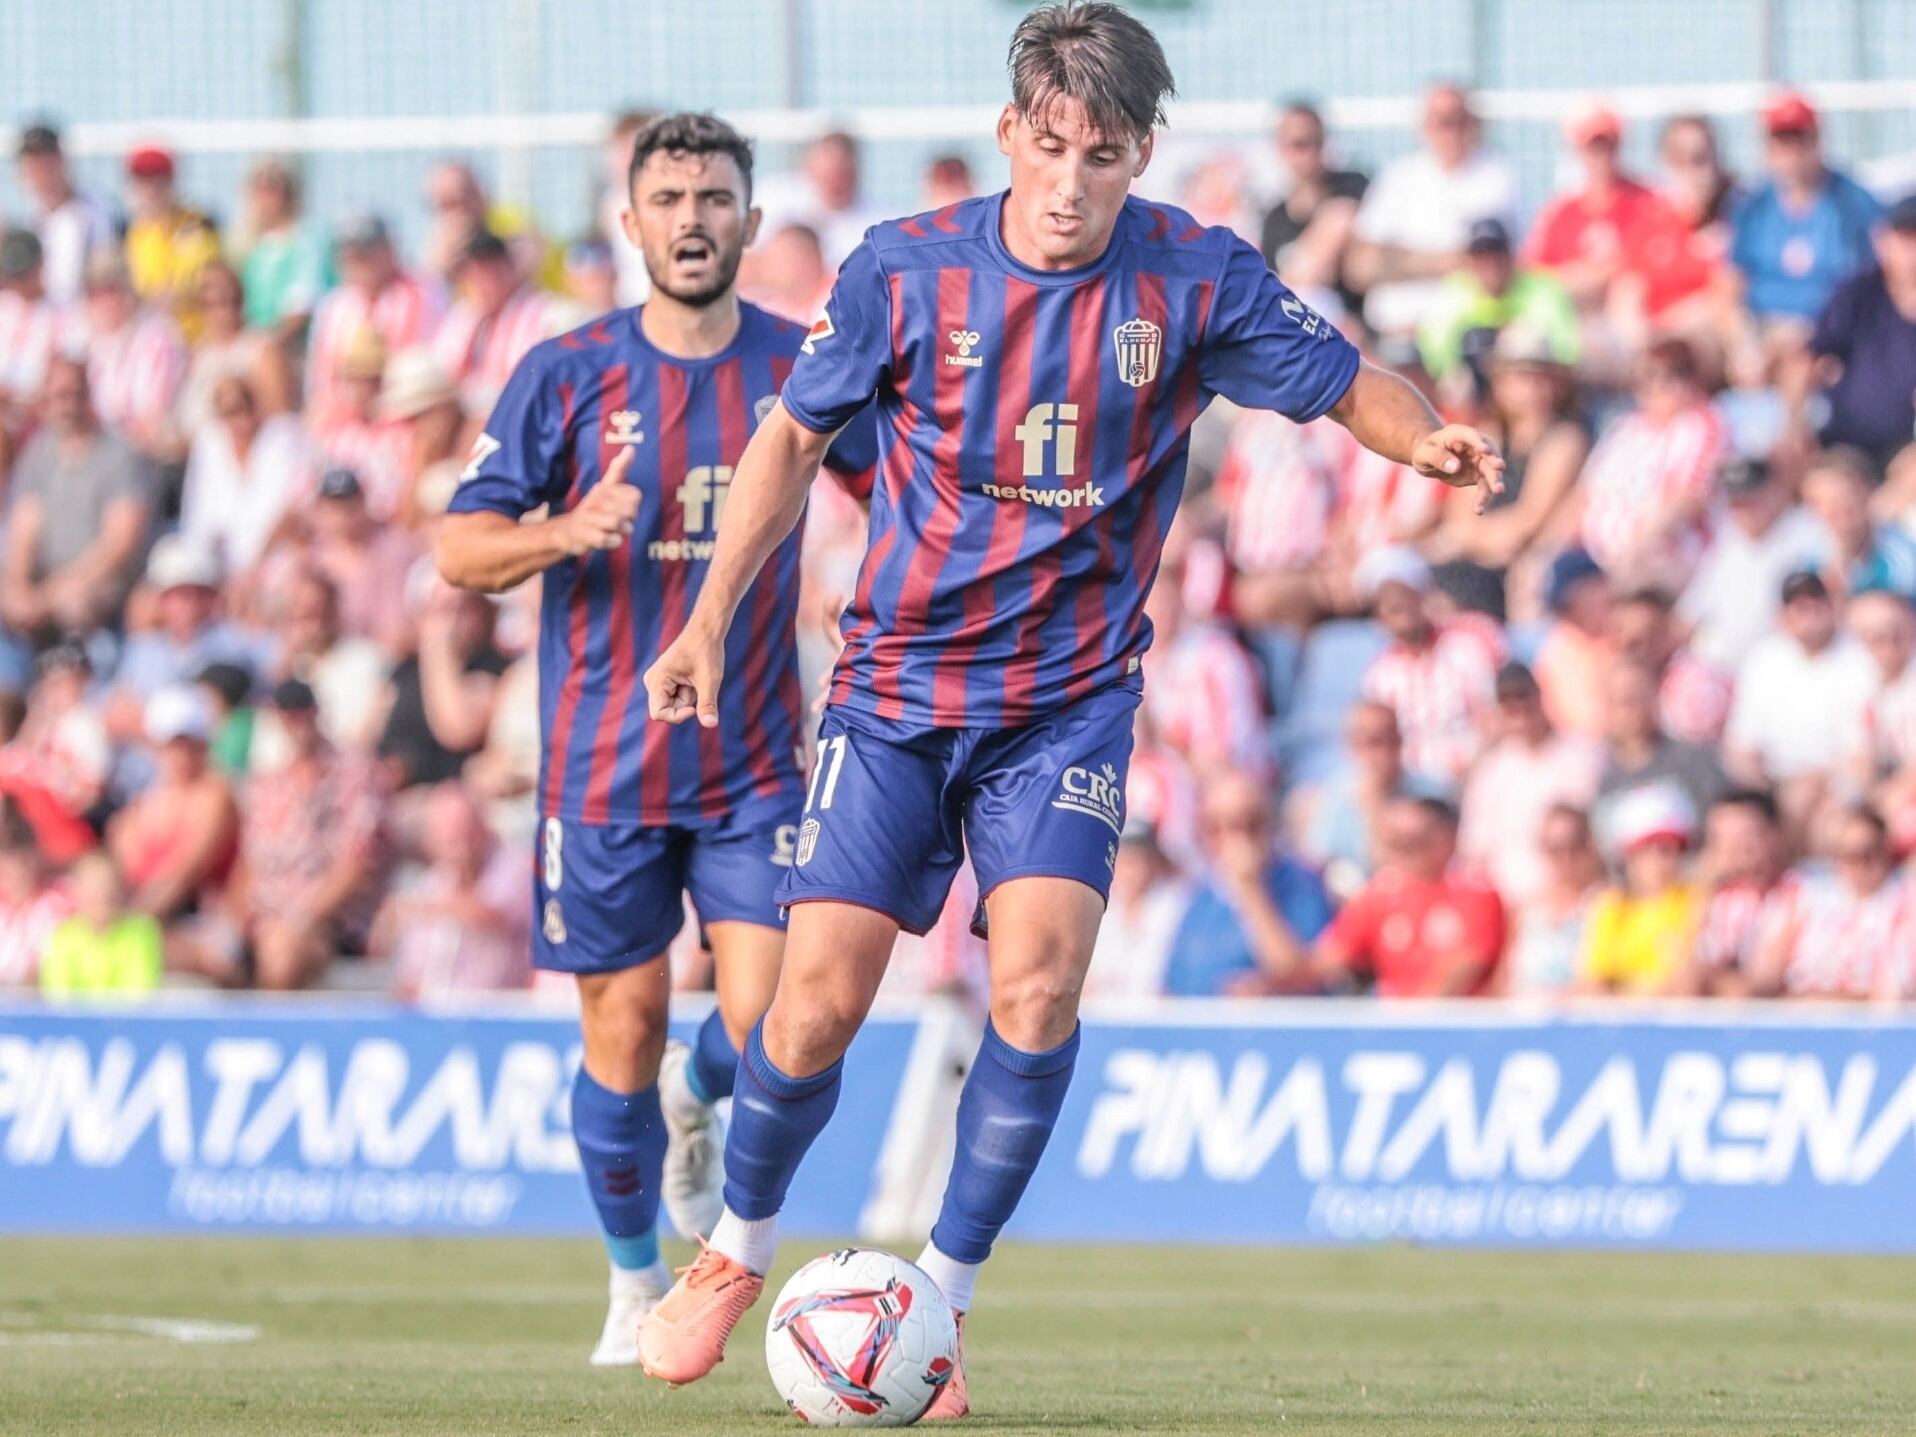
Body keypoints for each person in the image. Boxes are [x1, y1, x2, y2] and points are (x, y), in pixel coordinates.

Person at [635, 6, 1504, 1402]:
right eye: (1048, 149)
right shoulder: (903, 273)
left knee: (1035, 987)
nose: (1069, 182)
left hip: (1068, 704)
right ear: (1008, 138)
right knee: (812, 1014)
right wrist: (703, 622)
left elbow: (1348, 385)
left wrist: (1430, 438)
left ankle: (947, 1297)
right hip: (899, 693)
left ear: (1140, 154)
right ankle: (732, 1250)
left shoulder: (1194, 278)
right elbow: (790, 441)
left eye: (1101, 156)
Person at [434, 111, 878, 1368]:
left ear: (748, 217)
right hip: (601, 773)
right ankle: (634, 1282)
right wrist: (560, 532)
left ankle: (702, 1091)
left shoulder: (802, 366)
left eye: (715, 197)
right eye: (668, 197)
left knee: (777, 1026)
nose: (692, 218)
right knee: (616, 1036)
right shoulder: (564, 374)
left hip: (750, 769)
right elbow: (459, 547)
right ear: (629, 223)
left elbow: (894, 494)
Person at [225, 677, 386, 989]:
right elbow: (249, 863)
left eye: (301, 712)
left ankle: (272, 1033)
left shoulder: (353, 775)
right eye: (287, 715)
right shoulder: (269, 784)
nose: (295, 722)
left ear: (316, 713)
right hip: (265, 918)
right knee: (194, 953)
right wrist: (234, 922)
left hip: (327, 923)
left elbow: (357, 863)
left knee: (282, 951)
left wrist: (299, 918)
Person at [1426, 324, 1589, 623]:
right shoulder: (1488, 434)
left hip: (1515, 568)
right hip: (1480, 560)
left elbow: (1528, 522)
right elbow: (1458, 511)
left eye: (1537, 376)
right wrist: (1474, 539)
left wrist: (1469, 540)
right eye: (1518, 376)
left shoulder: (1564, 439)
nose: (1529, 388)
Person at [1346, 83, 1519, 338]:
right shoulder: (1398, 177)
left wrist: (1397, 259)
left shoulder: (1497, 180)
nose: (1451, 131)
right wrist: (1442, 261)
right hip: (1393, 333)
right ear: (1425, 125)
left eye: (1458, 120)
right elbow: (1359, 267)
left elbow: (1494, 267)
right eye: (1442, 121)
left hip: (1467, 333)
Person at [0, 356, 152, 643]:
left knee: (75, 605)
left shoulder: (120, 455)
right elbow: (23, 531)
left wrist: (49, 595)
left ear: (88, 394)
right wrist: (17, 586)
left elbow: (117, 546)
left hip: (99, 581)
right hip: (47, 577)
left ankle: (76, 680)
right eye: (59, 395)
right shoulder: (39, 454)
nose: (67, 404)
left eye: (75, 394)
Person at [1724, 570, 1876, 827]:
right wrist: (1766, 795)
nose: (1809, 613)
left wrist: (1824, 786)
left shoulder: (1859, 660)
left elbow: (1862, 753)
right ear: (1783, 615)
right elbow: (1742, 747)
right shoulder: (1763, 660)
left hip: (1836, 785)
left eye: (1816, 602)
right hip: (1777, 783)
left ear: (1832, 606)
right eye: (1799, 606)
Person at [1161, 768, 1333, 997]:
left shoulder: (1302, 885)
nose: (1241, 837)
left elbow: (1301, 974)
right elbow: (1173, 986)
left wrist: (1249, 889)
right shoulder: (1200, 898)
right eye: (1223, 826)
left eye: (1252, 822)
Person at [1313, 793, 1505, 996]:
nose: (1406, 850)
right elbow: (1324, 960)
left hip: (1455, 1022)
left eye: (1417, 840)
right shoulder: (1378, 895)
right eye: (1397, 842)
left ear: (1448, 837)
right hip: (1396, 1021)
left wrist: (1413, 1018)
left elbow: (1463, 969)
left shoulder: (1475, 892)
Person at [1572, 337, 1728, 584]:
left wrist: (1634, 549)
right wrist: (1547, 552)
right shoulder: (1626, 427)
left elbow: (1690, 498)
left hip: (1668, 557)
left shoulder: (1703, 424)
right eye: (1646, 378)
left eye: (1668, 378)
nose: (1655, 387)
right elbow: (1583, 495)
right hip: (1601, 557)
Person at [1728, 93, 1883, 333]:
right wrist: (1742, 343)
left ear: (1816, 140)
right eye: (1782, 141)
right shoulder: (1752, 205)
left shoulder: (1854, 204)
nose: (1791, 152)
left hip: (1828, 329)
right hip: (1762, 326)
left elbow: (1881, 276)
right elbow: (1730, 282)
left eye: (1799, 139)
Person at [1457, 661, 1602, 908]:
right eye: (1507, 702)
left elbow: (1598, 839)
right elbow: (1475, 854)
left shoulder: (1584, 756)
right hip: (1511, 907)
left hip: (1578, 900)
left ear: (1539, 695)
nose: (1518, 708)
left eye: (1523, 696)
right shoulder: (1489, 773)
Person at [1356, 547, 1505, 786]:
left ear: (1422, 595)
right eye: (1384, 601)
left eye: (1402, 594)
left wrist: (1471, 772)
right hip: (1411, 789)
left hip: (1478, 773)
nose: (1395, 605)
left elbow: (1497, 718)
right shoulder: (1379, 676)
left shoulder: (1467, 644)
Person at [1790, 192, 1916, 471]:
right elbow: (1808, 356)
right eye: (1905, 238)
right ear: (1883, 241)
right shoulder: (1859, 292)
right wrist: (1795, 423)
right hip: (1846, 445)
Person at [373, 780, 532, 997]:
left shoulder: (514, 865)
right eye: (448, 832)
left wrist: (424, 909)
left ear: (482, 826)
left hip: (499, 1012)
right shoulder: (428, 884)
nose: (457, 841)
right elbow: (411, 973)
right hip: (433, 1015)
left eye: (462, 828)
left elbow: (496, 916)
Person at [1676, 454, 1827, 673]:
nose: (1745, 508)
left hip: (1783, 665)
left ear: (1775, 490)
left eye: (1752, 497)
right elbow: (1687, 616)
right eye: (1736, 501)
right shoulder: (1728, 538)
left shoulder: (1808, 533)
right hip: (1718, 665)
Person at [1748, 805, 1912, 1000]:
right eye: (1848, 855)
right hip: (1796, 1013)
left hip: (1862, 1020)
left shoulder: (1903, 901)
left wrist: (1819, 1001)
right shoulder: (1807, 896)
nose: (1859, 865)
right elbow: (1765, 978)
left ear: (1885, 851)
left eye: (1867, 853)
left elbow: (1890, 996)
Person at [107, 685, 239, 924]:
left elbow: (185, 873)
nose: (180, 755)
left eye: (189, 744)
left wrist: (132, 926)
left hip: (202, 919)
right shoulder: (143, 803)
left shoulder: (215, 795)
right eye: (172, 745)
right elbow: (125, 868)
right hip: (154, 914)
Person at [307, 214, 445, 433]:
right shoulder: (334, 306)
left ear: (389, 250)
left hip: (404, 419)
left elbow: (420, 375)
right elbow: (322, 382)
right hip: (344, 424)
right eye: (350, 253)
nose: (357, 259)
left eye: (366, 251)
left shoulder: (421, 295)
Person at [1415, 218, 1579, 389]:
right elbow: (1435, 355)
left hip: (1532, 390)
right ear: (1468, 260)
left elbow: (1566, 354)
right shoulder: (1452, 293)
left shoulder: (1542, 288)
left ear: (1511, 254)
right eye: (1480, 255)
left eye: (1497, 253)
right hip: (1473, 396)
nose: (1490, 263)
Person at [178, 372, 315, 576]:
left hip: (273, 561)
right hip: (220, 566)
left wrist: (254, 566)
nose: (241, 419)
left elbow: (291, 510)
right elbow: (199, 516)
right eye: (229, 412)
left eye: (244, 407)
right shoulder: (209, 445)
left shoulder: (284, 438)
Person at [432, 229, 572, 426]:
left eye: (492, 271)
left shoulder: (546, 314)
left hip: (521, 418)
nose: (486, 282)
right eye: (478, 273)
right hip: (471, 419)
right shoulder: (463, 319)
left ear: (509, 267)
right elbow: (444, 373)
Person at [1578, 782, 1700, 995]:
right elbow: (1593, 983)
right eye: (1648, 851)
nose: (1661, 861)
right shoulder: (1611, 906)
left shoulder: (1696, 901)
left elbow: (1684, 982)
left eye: (1670, 849)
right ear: (1629, 858)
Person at [1258, 101, 1367, 311]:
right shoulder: (1274, 220)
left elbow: (1342, 219)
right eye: (1299, 144)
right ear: (1281, 147)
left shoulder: (1353, 186)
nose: (1310, 152)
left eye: (1316, 141)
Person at [1686, 788, 1793, 997]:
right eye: (1724, 838)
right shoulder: (1718, 896)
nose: (1735, 848)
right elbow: (1683, 974)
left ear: (1774, 834)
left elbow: (1763, 981)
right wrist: (1704, 890)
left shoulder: (1799, 894)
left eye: (1746, 836)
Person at [1500, 802, 1603, 996]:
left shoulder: (1608, 904)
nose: (1566, 857)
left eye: (1575, 845)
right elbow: (1504, 979)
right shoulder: (1526, 909)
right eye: (1555, 848)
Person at [121, 144, 221, 343]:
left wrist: (151, 300)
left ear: (171, 181)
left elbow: (200, 283)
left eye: (157, 178)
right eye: (142, 179)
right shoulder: (134, 234)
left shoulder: (195, 226)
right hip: (150, 342)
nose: (150, 188)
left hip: (193, 339)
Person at [1081, 816, 1189, 999]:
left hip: (1158, 1017)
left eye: (1139, 859)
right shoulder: (1095, 908)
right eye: (1125, 860)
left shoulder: (1176, 906)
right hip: (1102, 1017)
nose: (1132, 870)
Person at [12, 121, 115, 306]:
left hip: (84, 323)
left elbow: (105, 275)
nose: (40, 170)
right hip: (45, 325)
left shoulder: (94, 212)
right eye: (33, 162)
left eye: (46, 159)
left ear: (61, 160)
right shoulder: (29, 221)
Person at [38, 851, 164, 998]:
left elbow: (138, 996)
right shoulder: (62, 935)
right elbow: (58, 998)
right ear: (76, 891)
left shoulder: (142, 931)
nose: (103, 895)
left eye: (107, 885)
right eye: (93, 886)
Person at [754, 130, 885, 269]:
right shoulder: (775, 197)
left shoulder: (878, 223)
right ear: (808, 166)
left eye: (843, 172)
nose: (836, 180)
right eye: (830, 171)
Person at [1800, 447, 1916, 602]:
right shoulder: (1803, 558)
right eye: (1822, 503)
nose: (1835, 511)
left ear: (1868, 494)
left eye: (1843, 499)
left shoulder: (1901, 553)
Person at [235, 158, 332, 337]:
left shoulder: (308, 240)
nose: (265, 198)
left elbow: (302, 307)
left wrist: (269, 346)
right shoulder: (253, 249)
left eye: (272, 188)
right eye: (259, 189)